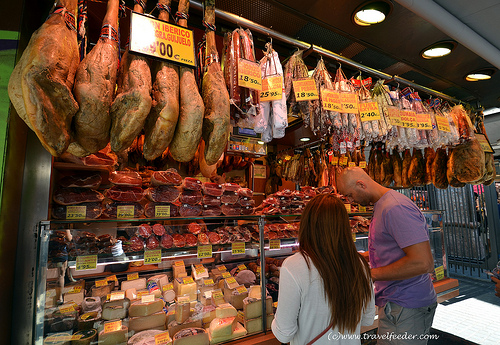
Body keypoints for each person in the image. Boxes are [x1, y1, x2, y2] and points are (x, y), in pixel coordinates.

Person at [337, 167, 437, 344]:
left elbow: (423, 262)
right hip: (397, 304)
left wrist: (369, 275)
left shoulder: (395, 207)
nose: (350, 200)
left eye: (350, 195)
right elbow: (391, 249)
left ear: (361, 184)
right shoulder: (382, 205)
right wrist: (359, 258)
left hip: (406, 305)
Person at [271, 193, 375, 344]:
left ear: (307, 224)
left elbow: (284, 334)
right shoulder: (359, 264)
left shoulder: (293, 266)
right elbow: (368, 319)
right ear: (345, 227)